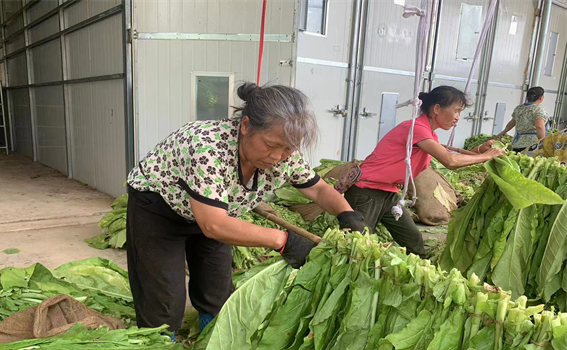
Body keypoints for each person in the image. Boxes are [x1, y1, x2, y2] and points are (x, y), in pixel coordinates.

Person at [126, 82, 367, 333]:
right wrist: (283, 240)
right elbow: (214, 225)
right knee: (164, 300)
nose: (277, 156)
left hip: (218, 212)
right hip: (160, 208)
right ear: (245, 126)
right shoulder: (207, 147)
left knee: (217, 291)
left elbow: (317, 189)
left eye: (288, 149)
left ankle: (208, 344)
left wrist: (346, 212)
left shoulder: (285, 156)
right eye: (271, 145)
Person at [345, 86, 505, 257]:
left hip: (388, 193)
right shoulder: (416, 128)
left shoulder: (428, 134)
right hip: (367, 191)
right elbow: (450, 161)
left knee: (413, 240)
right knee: (358, 246)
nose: (458, 118)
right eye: (456, 111)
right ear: (437, 109)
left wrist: (479, 151)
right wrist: (487, 156)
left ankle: (417, 274)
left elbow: (450, 158)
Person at [498, 87, 548, 152]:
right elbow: (539, 126)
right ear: (541, 97)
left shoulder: (519, 108)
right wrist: (543, 141)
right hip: (531, 145)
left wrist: (504, 131)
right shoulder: (539, 110)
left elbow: (512, 123)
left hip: (517, 142)